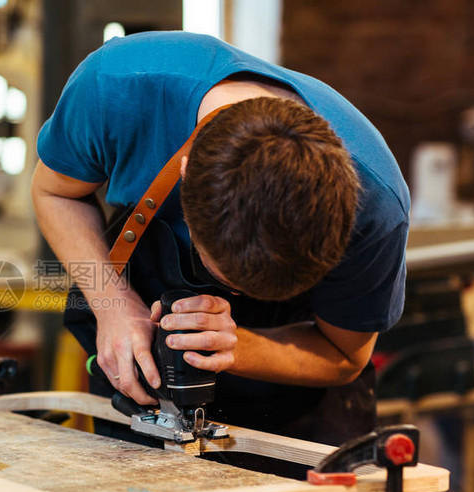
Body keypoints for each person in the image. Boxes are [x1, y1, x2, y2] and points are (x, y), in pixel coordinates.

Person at [31, 32, 409, 447]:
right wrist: (112, 302)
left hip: (299, 407)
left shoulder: (376, 208)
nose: (232, 295)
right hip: (143, 376)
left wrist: (234, 347)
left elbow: (345, 355)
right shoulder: (117, 88)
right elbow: (54, 192)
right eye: (224, 275)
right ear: (186, 174)